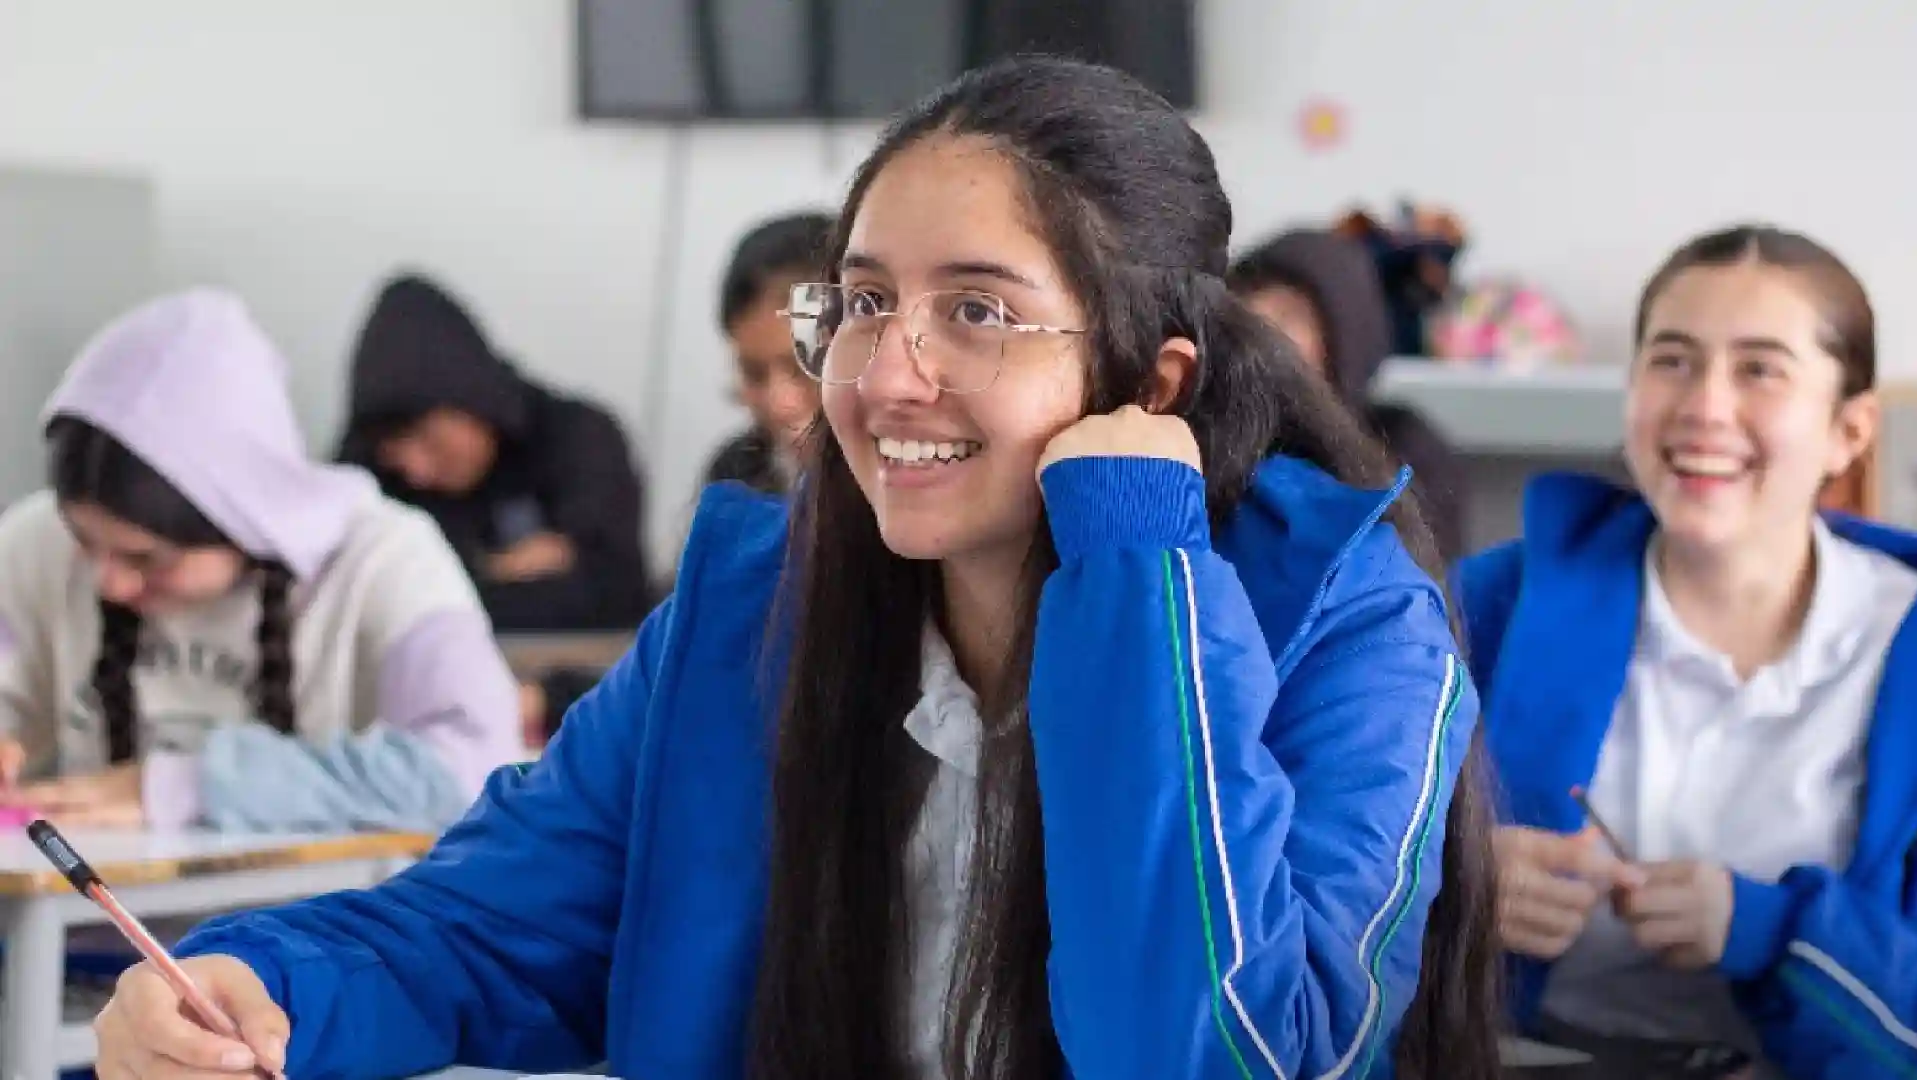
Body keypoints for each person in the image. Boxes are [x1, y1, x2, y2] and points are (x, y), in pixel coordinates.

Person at [94, 57, 1503, 1080]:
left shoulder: (1350, 622)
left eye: (978, 310)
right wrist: (257, 986)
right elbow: (492, 926)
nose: (886, 376)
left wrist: (1136, 557)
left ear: (1154, 379)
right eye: (867, 301)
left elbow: (1203, 1055)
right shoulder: (756, 602)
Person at [1454, 225, 1917, 1079]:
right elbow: (1329, 877)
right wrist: (1452, 887)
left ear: (1849, 430)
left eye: (1760, 369)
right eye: (1672, 360)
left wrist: (1771, 931)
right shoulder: (1485, 607)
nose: (1705, 406)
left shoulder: (1903, 649)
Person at [0, 289, 522, 832]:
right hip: (87, 888)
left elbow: (478, 768)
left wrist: (193, 786)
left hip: (332, 891)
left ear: (245, 517)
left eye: (146, 559)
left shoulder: (386, 561)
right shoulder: (33, 543)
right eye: (84, 542)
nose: (108, 582)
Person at [336, 272, 652, 632]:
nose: (417, 471)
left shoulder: (580, 439)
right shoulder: (372, 474)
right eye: (395, 457)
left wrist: (437, 580)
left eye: (430, 442)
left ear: (474, 398)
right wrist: (499, 570)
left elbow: (617, 595)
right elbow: (352, 601)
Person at [1229, 228, 1468, 561]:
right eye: (1243, 315)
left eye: (1288, 315)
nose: (1259, 334)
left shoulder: (1405, 453)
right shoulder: (1208, 444)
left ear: (1343, 341)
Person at [703, 211, 835, 495]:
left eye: (804, 367)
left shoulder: (910, 476)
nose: (782, 405)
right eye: (754, 374)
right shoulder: (737, 472)